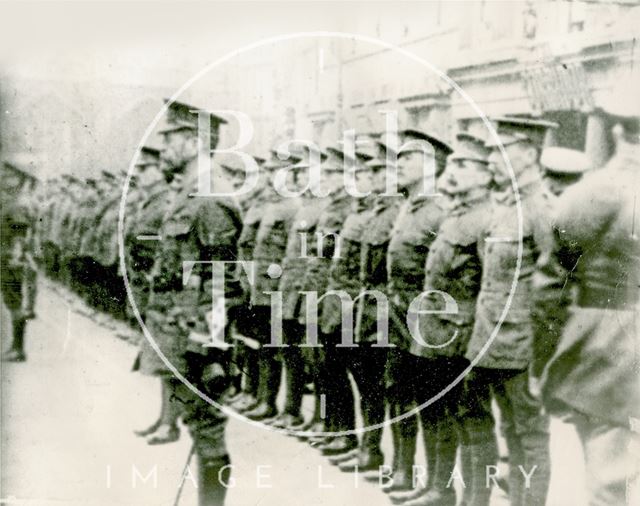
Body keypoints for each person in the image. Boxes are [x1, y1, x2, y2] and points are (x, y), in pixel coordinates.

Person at [533, 85, 640, 506]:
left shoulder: (587, 194)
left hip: (605, 348)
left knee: (607, 476)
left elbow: (549, 289)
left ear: (615, 133)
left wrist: (543, 360)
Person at [145, 99, 242, 505]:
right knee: (196, 422)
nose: (163, 148)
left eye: (171, 140)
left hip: (196, 337)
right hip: (174, 325)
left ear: (195, 142)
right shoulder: (187, 190)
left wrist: (211, 347)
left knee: (207, 425)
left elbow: (223, 281)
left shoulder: (211, 194)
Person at [464, 116, 557, 506]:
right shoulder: (505, 206)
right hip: (489, 335)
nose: (493, 160)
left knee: (528, 434)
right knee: (497, 426)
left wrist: (545, 357)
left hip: (523, 342)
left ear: (530, 155)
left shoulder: (542, 209)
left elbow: (557, 285)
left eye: (503, 152)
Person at [408, 132, 492, 506]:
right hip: (432, 330)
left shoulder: (487, 219)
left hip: (462, 334)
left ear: (486, 174)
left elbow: (490, 285)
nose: (452, 171)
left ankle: (475, 498)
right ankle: (439, 489)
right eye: (453, 163)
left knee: (470, 420)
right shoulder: (454, 214)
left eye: (463, 165)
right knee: (434, 411)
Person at [1, 160, 38, 362]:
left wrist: (16, 257)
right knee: (11, 302)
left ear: (18, 179)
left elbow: (19, 234)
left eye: (9, 176)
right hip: (5, 257)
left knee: (14, 302)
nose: (5, 179)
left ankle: (18, 348)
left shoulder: (17, 203)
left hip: (10, 260)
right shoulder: (9, 200)